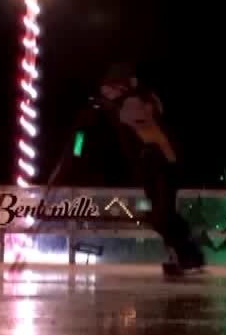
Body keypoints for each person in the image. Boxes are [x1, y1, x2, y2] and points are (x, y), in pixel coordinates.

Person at [76, 63, 208, 277]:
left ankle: (187, 255)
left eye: (110, 90)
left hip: (160, 163)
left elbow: (137, 118)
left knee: (162, 214)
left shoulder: (134, 102)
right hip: (155, 164)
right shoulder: (134, 101)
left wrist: (108, 108)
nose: (108, 94)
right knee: (160, 214)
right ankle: (182, 255)